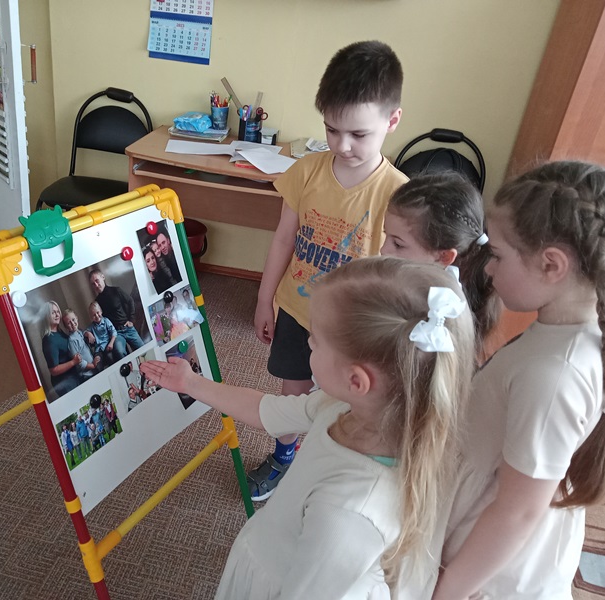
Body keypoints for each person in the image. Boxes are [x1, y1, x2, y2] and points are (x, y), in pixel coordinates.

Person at [142, 257, 475, 598]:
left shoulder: (349, 513)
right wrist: (192, 383)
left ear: (356, 380)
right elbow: (267, 410)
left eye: (314, 341)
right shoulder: (343, 406)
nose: (308, 345)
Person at [433, 161, 605, 600]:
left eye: (497, 255)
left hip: (489, 575)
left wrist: (447, 591)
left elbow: (517, 513)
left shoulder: (554, 376)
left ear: (551, 265)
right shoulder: (569, 335)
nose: (488, 269)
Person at [251, 40, 408, 500]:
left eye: (359, 134)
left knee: (346, 402)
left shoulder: (397, 193)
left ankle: (332, 466)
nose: (342, 145)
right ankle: (284, 456)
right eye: (332, 130)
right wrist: (264, 299)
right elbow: (284, 238)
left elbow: (394, 273)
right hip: (297, 310)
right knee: (293, 394)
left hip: (352, 327)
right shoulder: (307, 171)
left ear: (392, 121)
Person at [380, 172, 501, 356]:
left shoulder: (438, 315)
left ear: (444, 257)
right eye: (385, 235)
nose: (383, 249)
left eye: (398, 244)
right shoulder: (402, 285)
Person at [88, 268, 146, 351]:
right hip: (116, 334)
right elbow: (96, 322)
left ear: (103, 277)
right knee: (120, 352)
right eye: (93, 284)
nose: (96, 285)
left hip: (127, 327)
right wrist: (88, 333)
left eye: (97, 281)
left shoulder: (116, 290)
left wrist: (131, 320)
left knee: (144, 349)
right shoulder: (97, 302)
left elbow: (130, 301)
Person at [41, 301, 81, 399]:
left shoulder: (60, 333)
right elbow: (54, 370)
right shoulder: (49, 339)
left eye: (58, 311)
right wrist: (73, 362)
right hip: (65, 383)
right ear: (47, 316)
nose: (57, 314)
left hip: (74, 376)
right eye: (53, 312)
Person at [62, 308, 101, 379]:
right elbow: (78, 362)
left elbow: (83, 333)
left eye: (73, 319)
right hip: (86, 374)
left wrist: (88, 333)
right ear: (66, 327)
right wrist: (92, 365)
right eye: (69, 323)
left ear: (77, 318)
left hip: (94, 370)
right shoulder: (72, 341)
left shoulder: (79, 331)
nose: (72, 323)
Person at [85, 301, 128, 366]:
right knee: (97, 364)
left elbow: (114, 332)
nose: (96, 316)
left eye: (97, 312)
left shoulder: (106, 321)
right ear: (91, 317)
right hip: (99, 349)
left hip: (107, 345)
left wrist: (111, 343)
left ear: (101, 311)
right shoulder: (91, 326)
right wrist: (88, 333)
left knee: (110, 357)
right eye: (94, 315)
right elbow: (84, 332)